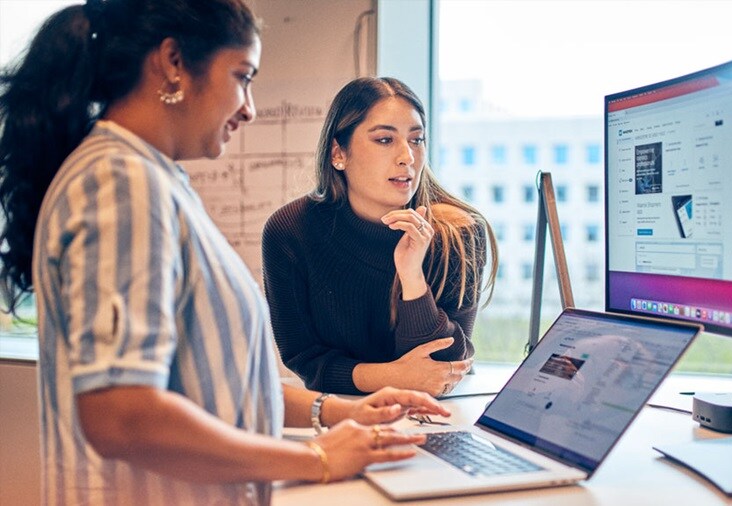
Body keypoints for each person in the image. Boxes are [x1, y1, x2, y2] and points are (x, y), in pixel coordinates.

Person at [0, 2, 449, 504]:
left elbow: (214, 382)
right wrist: (317, 459)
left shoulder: (154, 180)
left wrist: (341, 413)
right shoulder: (119, 184)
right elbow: (122, 415)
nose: (248, 108)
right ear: (173, 62)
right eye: (242, 76)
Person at [262, 77, 498, 397]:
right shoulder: (290, 231)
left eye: (417, 140)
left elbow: (446, 365)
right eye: (385, 140)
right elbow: (304, 358)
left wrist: (412, 277)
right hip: (340, 411)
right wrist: (394, 377)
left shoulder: (458, 233)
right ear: (338, 153)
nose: (407, 156)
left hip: (438, 415)